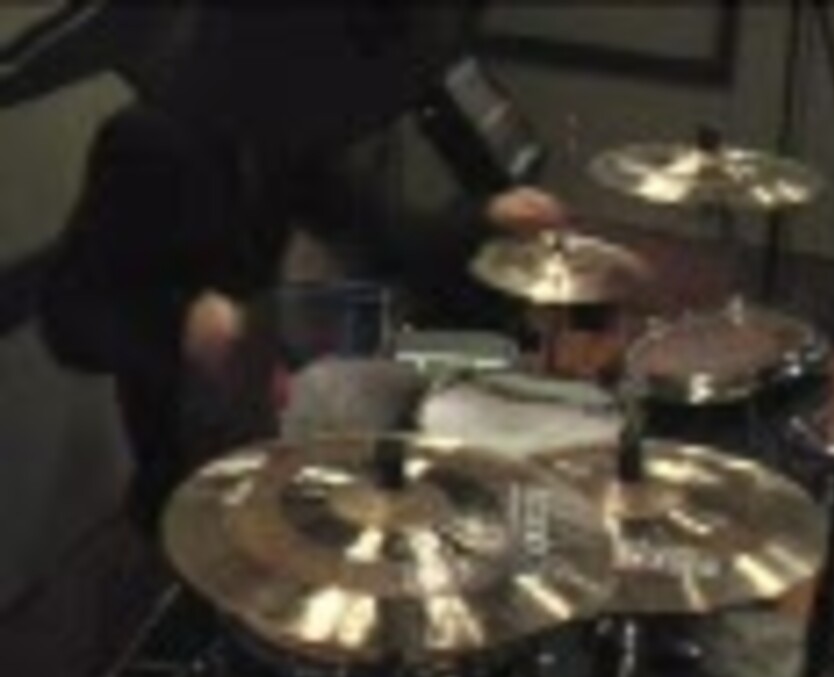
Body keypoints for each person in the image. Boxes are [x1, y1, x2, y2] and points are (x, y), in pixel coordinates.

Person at [16, 5, 568, 538]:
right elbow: (69, 315)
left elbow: (384, 239)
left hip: (256, 413)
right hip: (185, 455)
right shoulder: (152, 139)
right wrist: (181, 321)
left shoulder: (284, 133)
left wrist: (485, 217)